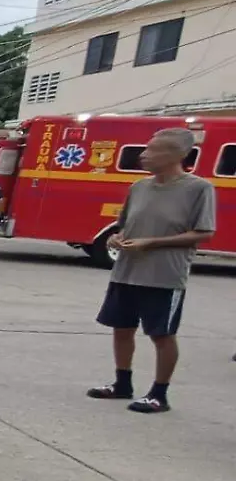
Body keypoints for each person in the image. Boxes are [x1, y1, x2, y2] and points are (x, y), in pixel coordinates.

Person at [86, 128, 216, 414]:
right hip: (126, 271)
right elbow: (122, 226)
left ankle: (159, 394)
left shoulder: (198, 188)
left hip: (164, 275)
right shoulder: (139, 187)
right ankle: (122, 383)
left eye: (153, 149)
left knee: (161, 334)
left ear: (178, 155)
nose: (144, 154)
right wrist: (115, 239)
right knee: (122, 329)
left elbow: (204, 232)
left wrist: (153, 243)